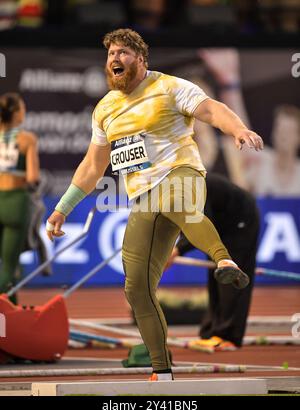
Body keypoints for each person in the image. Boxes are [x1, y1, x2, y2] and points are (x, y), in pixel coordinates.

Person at [46, 28, 263, 381]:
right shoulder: (105, 109)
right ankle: (162, 372)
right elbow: (92, 165)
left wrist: (237, 129)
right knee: (136, 286)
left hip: (182, 173)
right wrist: (62, 208)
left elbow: (211, 109)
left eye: (123, 53)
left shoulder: (170, 86)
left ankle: (224, 259)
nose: (115, 58)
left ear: (142, 60)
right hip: (143, 196)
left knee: (183, 206)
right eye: (111, 54)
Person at [166, 173, 260, 352]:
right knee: (216, 275)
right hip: (219, 224)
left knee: (232, 275)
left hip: (240, 221)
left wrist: (176, 251)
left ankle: (228, 336)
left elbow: (200, 224)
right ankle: (211, 332)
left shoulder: (192, 187)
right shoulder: (171, 192)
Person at [0, 92, 40, 304]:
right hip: (15, 203)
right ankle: (7, 311)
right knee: (9, 265)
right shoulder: (26, 139)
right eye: (22, 108)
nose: (24, 112)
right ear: (15, 114)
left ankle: (10, 308)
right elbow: (33, 177)